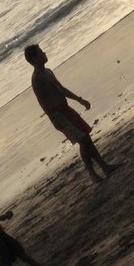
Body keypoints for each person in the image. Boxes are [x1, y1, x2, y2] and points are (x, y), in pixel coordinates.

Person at [24, 44, 119, 184]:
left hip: (65, 109)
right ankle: (93, 174)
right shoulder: (37, 79)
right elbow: (42, 102)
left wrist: (79, 100)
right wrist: (55, 119)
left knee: (86, 137)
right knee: (83, 140)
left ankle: (104, 166)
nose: (44, 53)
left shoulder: (48, 72)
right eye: (41, 53)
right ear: (34, 58)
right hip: (58, 115)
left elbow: (61, 89)